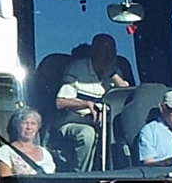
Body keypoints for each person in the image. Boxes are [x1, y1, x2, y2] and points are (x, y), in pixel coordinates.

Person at [53, 33, 132, 170]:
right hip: (73, 122)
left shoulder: (115, 73)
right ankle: (82, 179)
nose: (109, 54)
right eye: (104, 49)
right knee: (87, 134)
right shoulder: (77, 68)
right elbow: (60, 102)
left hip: (106, 128)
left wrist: (113, 75)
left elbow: (126, 96)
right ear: (94, 51)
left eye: (112, 50)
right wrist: (86, 104)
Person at [0, 107, 56, 176]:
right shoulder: (6, 151)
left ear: (38, 128)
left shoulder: (45, 153)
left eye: (33, 123)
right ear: (17, 126)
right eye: (25, 123)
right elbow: (6, 181)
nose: (29, 127)